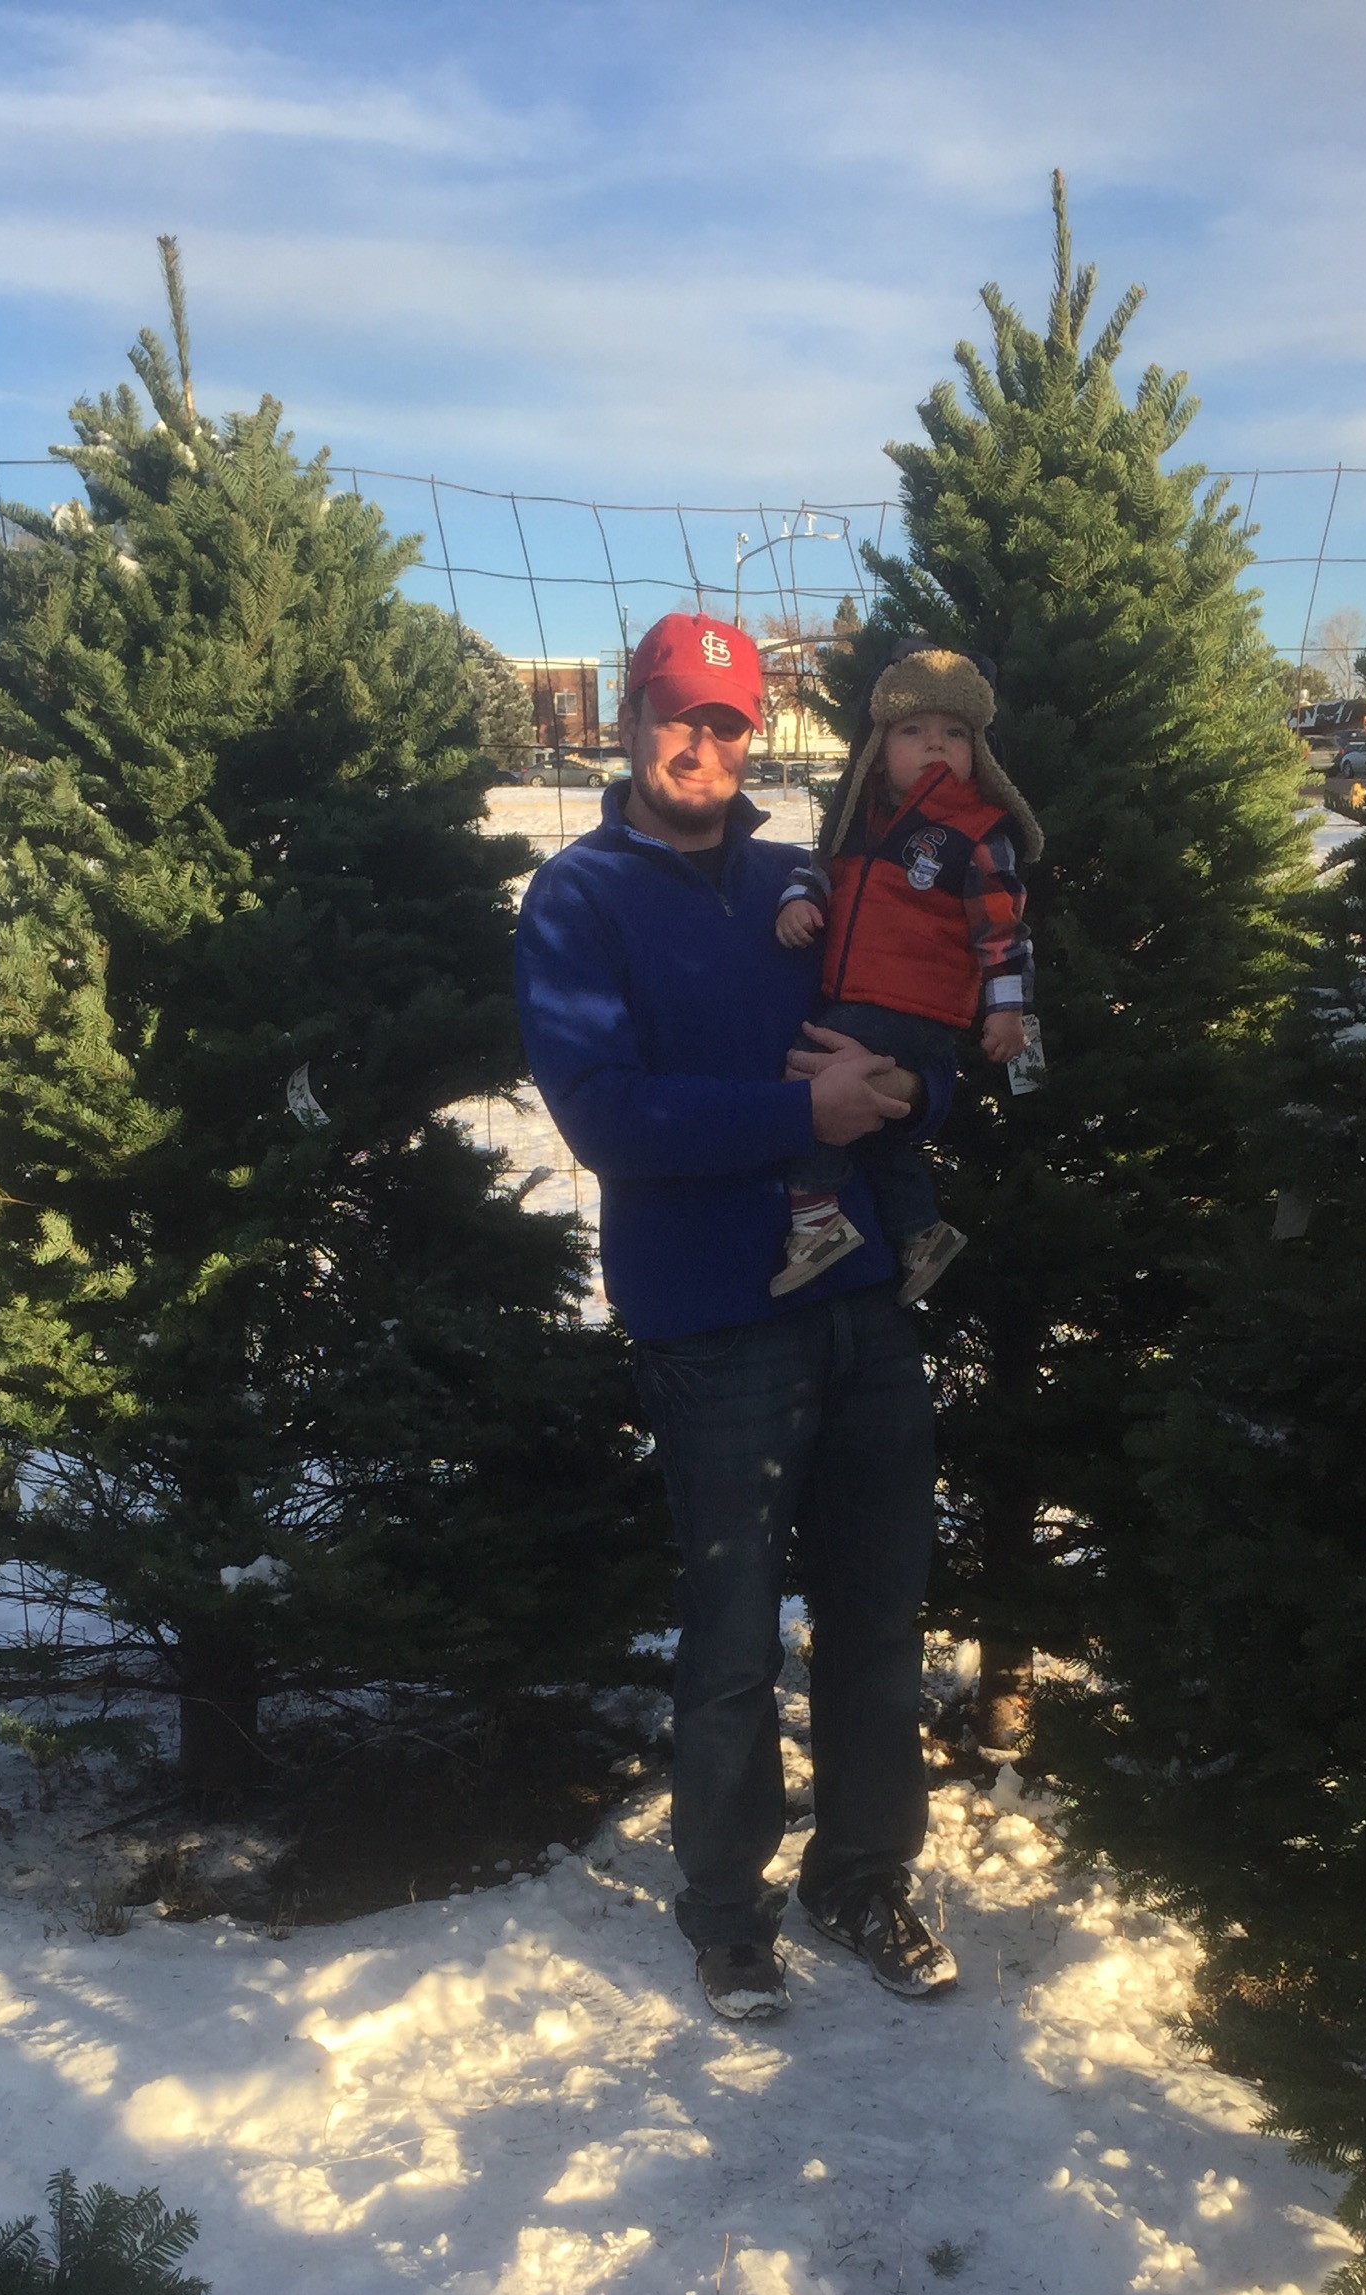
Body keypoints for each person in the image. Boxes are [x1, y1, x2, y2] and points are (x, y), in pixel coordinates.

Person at [513, 611, 958, 2022]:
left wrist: (908, 1089)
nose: (700, 746)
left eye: (726, 723)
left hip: (862, 1298)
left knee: (878, 1623)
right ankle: (724, 1911)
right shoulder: (577, 900)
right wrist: (797, 1114)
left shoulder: (805, 880)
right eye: (676, 717)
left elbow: (918, 1028)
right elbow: (605, 1116)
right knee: (730, 1642)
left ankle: (862, 1878)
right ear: (629, 722)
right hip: (713, 1320)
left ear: (752, 737)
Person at [770, 644, 1042, 1306]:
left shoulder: (977, 832)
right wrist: (799, 900)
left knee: (810, 1070)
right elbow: (823, 868)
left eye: (955, 733)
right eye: (913, 729)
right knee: (874, 1120)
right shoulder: (861, 817)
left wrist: (1008, 1010)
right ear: (878, 746)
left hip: (915, 1003)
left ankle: (817, 1215)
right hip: (867, 996)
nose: (935, 744)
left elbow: (1003, 929)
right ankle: (922, 1231)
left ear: (980, 750)